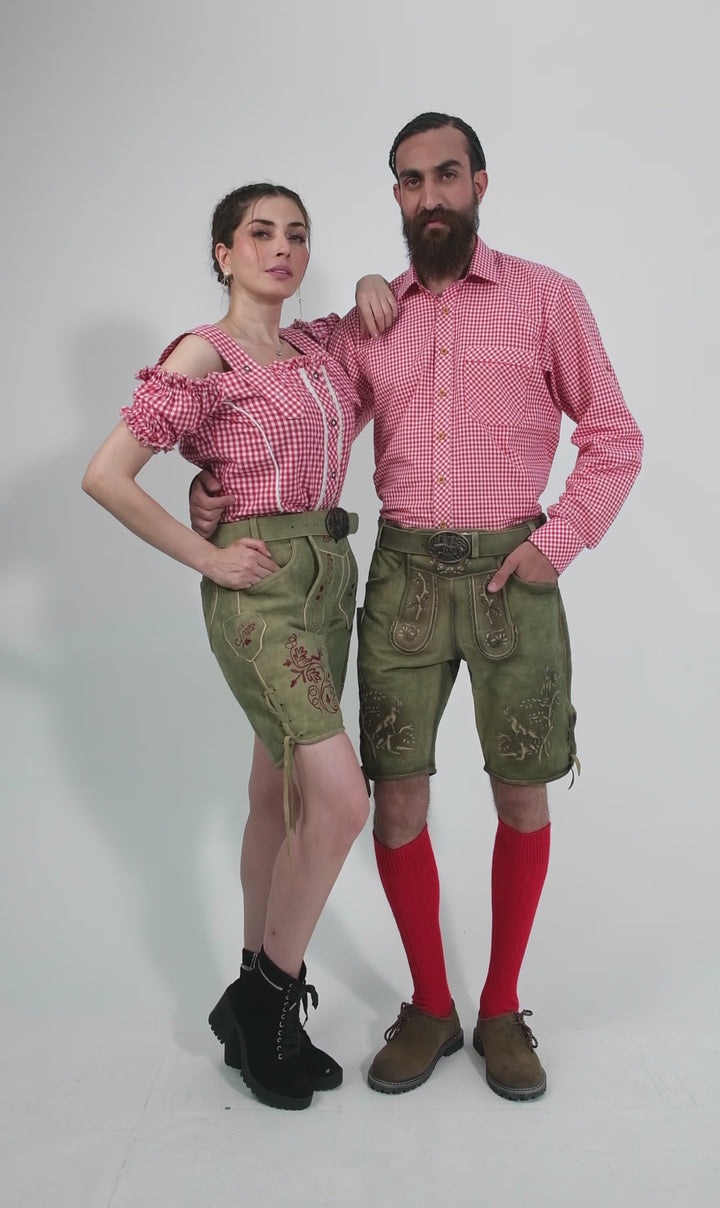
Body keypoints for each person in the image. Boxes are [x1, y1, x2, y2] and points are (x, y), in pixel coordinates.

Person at [191, 115, 643, 1103]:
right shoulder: (372, 320)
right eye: (409, 181)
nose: (429, 196)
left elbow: (613, 435)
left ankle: (502, 1007)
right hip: (397, 581)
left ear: (480, 181)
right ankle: (431, 1004)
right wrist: (217, 492)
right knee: (395, 796)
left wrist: (554, 544)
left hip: (511, 575)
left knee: (523, 789)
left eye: (446, 175)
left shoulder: (546, 299)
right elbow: (299, 428)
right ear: (394, 195)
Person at [82, 181, 393, 1112]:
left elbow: (387, 317)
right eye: (260, 233)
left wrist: (376, 275)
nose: (281, 248)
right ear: (223, 252)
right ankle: (262, 1006)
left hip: (330, 577)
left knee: (281, 790)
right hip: (261, 592)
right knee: (340, 801)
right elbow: (107, 474)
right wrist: (206, 556)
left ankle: (259, 990)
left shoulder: (316, 347)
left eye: (297, 235)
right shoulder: (202, 353)